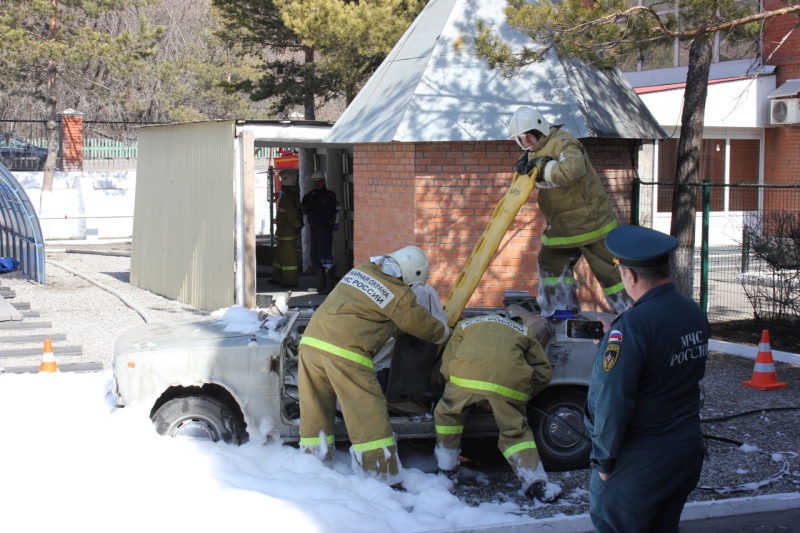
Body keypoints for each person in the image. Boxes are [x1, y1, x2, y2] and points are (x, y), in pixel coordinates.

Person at [584, 225, 709, 533]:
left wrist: (603, 464)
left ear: (631, 276)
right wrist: (615, 346)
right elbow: (666, 366)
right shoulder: (693, 311)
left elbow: (613, 400)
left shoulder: (631, 326)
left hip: (639, 459)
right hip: (684, 451)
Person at [297, 245, 451, 486]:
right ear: (412, 275)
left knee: (315, 409)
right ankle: (383, 477)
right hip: (345, 353)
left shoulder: (362, 270)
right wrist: (446, 334)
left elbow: (368, 311)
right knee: (368, 415)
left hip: (311, 344)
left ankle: (313, 466)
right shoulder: (399, 295)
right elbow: (421, 324)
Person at [508, 105, 632, 317]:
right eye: (521, 139)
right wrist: (526, 165)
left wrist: (544, 167)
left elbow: (571, 171)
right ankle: (560, 313)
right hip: (561, 227)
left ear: (540, 129)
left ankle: (634, 314)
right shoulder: (536, 152)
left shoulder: (564, 143)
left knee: (611, 273)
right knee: (550, 264)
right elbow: (539, 167)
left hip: (591, 225)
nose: (527, 142)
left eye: (529, 136)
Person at [433, 303, 562, 502]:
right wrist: (521, 395)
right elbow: (544, 373)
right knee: (515, 431)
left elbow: (448, 362)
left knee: (448, 415)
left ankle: (446, 472)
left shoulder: (466, 324)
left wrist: (454, 387)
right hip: (508, 386)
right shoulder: (525, 332)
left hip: (465, 380)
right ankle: (537, 484)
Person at [301, 170, 339, 295]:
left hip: (324, 230)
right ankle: (321, 285)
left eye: (318, 181)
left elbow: (326, 212)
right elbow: (305, 205)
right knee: (316, 256)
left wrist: (314, 207)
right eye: (315, 182)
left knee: (326, 257)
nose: (317, 184)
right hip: (315, 230)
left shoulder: (329, 195)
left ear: (323, 181)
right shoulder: (312, 195)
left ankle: (330, 286)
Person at [270, 169, 303, 287]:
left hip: (288, 232)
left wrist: (297, 225)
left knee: (288, 257)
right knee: (279, 256)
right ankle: (277, 277)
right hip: (282, 231)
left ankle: (291, 280)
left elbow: (292, 214)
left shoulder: (288, 196)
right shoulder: (286, 194)